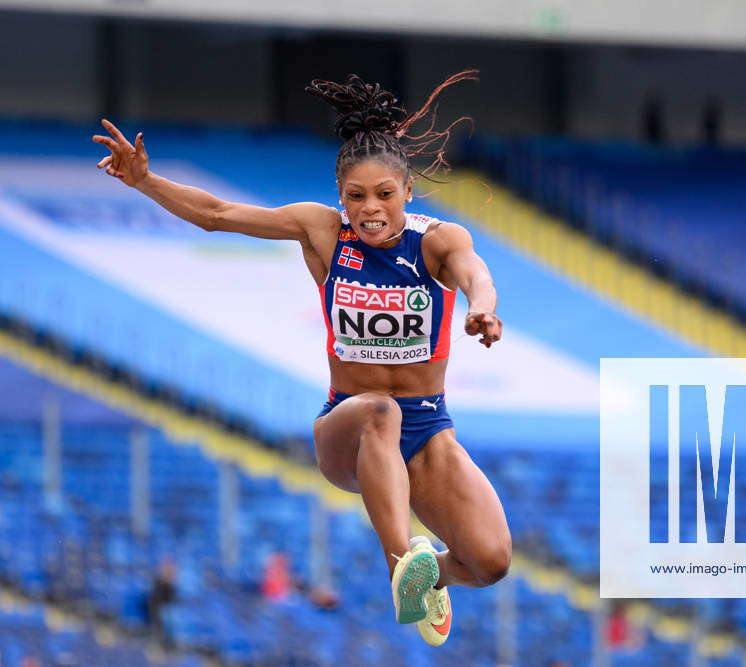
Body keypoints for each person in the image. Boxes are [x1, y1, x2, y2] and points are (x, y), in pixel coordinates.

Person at [92, 70, 511, 647]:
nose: (370, 209)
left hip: (428, 426)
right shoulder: (322, 232)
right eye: (356, 196)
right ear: (340, 198)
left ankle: (429, 573)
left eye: (384, 194)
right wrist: (144, 182)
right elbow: (217, 213)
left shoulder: (437, 241)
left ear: (407, 192)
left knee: (491, 562)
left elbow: (476, 276)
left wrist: (482, 309)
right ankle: (401, 568)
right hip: (351, 426)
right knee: (381, 411)